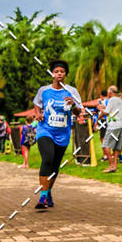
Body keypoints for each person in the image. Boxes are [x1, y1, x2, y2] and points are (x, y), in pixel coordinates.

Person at [32, 60, 82, 210]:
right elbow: (37, 103)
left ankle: (47, 192)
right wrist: (37, 113)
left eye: (62, 71)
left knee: (54, 166)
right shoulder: (44, 90)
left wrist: (73, 105)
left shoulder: (72, 91)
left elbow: (79, 112)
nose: (59, 73)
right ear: (52, 74)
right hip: (45, 130)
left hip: (63, 133)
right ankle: (42, 197)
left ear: (65, 74)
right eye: (56, 71)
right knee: (47, 158)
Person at [99, 85, 122, 173]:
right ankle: (115, 166)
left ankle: (110, 165)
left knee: (105, 145)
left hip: (112, 125)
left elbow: (106, 112)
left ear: (110, 92)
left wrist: (101, 109)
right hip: (120, 125)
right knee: (117, 147)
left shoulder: (111, 99)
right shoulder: (120, 100)